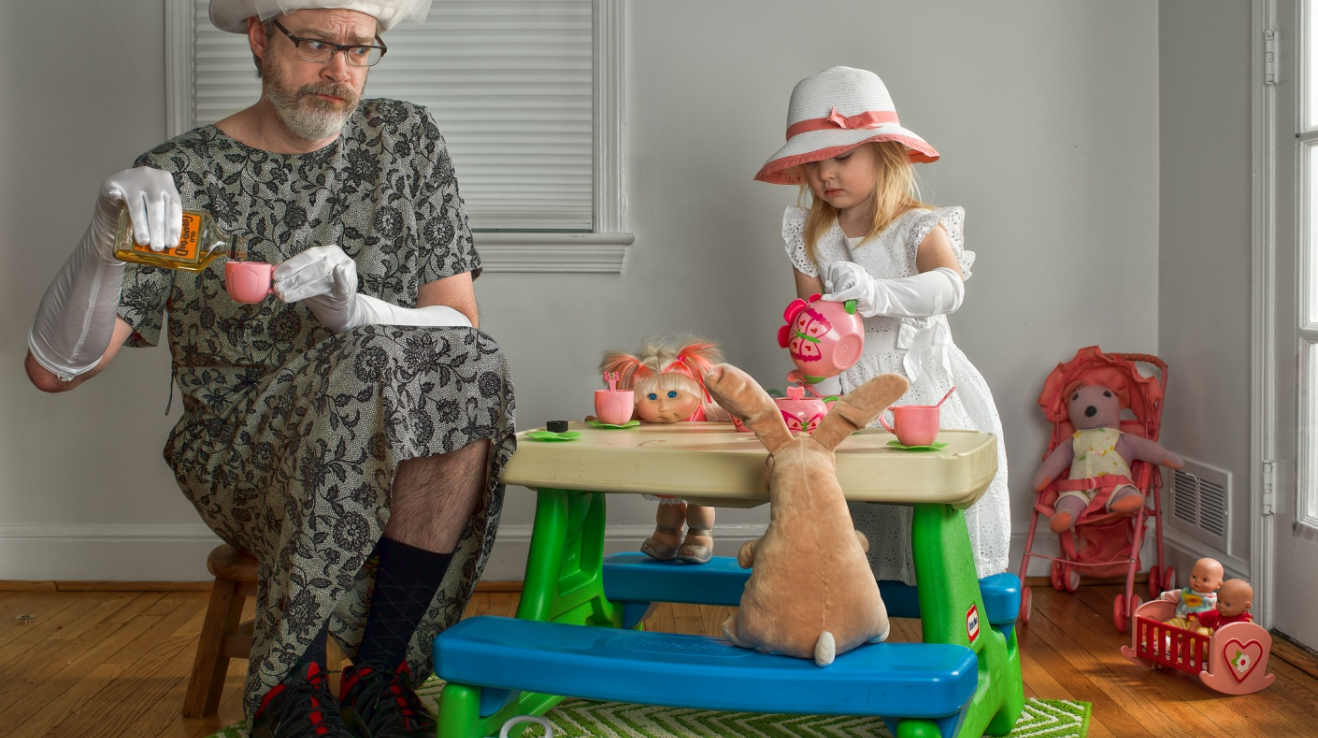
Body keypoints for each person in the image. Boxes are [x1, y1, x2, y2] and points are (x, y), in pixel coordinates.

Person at [24, 1, 516, 736]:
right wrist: (103, 245)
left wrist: (357, 313)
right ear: (260, 37)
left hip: (392, 437)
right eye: (315, 43)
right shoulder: (184, 176)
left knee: (470, 363)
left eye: (359, 49)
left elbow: (459, 327)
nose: (338, 70)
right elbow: (55, 371)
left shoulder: (404, 140)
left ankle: (378, 676)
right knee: (365, 365)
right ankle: (290, 686)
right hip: (239, 450)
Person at [754, 66, 1009, 585]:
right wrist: (821, 392)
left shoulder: (915, 225)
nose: (826, 174)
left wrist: (877, 292)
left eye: (842, 157)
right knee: (849, 498)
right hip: (846, 389)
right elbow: (811, 323)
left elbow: (949, 287)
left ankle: (946, 595)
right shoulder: (811, 234)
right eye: (813, 163)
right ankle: (852, 599)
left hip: (917, 387)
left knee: (922, 495)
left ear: (884, 152)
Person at [598, 337, 725, 564]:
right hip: (667, 471)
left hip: (700, 468)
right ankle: (666, 534)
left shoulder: (708, 412)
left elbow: (735, 416)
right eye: (652, 398)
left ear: (697, 390)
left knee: (699, 502)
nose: (664, 407)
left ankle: (700, 535)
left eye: (673, 395)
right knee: (669, 504)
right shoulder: (637, 418)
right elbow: (618, 427)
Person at [1159, 557, 1225, 630]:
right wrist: (1160, 598)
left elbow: (1219, 614)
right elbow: (1171, 595)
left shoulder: (1215, 600)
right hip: (1183, 620)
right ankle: (1158, 635)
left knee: (1203, 634)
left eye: (1204, 580)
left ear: (1218, 584)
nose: (1197, 581)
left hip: (1202, 626)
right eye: (1194, 577)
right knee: (1166, 627)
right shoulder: (1186, 592)